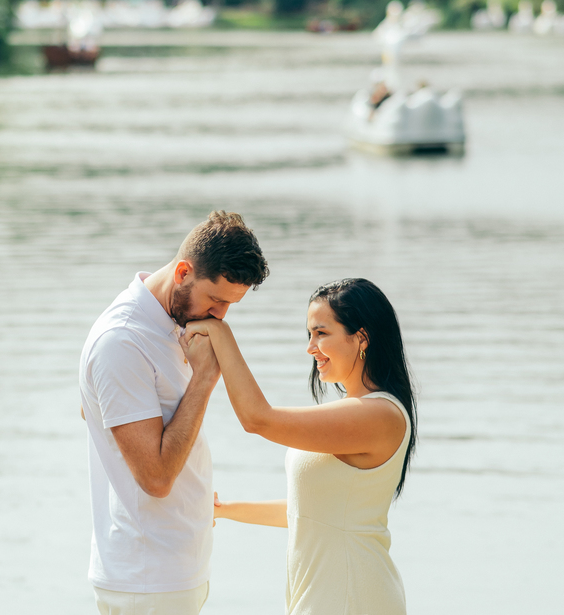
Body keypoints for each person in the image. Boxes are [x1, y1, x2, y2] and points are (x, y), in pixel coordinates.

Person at [184, 278, 417, 615]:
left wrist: (220, 334)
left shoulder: (379, 415)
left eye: (321, 333)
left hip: (352, 595)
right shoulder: (355, 414)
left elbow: (257, 419)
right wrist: (226, 509)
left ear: (361, 338)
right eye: (309, 334)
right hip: (324, 592)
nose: (310, 347)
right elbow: (308, 511)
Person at [79, 211, 269, 615]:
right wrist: (204, 380)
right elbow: (156, 477)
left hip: (175, 571)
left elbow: (95, 410)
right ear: (183, 272)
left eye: (231, 305)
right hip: (147, 579)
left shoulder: (173, 322)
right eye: (216, 300)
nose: (220, 316)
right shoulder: (123, 341)